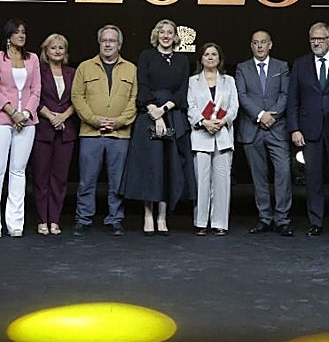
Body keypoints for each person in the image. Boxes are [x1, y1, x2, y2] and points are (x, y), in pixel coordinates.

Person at [121, 19, 195, 235]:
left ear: (175, 36)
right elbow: (142, 84)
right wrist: (155, 112)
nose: (165, 35)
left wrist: (164, 110)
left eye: (169, 32)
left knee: (168, 166)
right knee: (150, 165)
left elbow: (182, 90)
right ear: (156, 35)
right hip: (148, 115)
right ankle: (148, 215)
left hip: (172, 115)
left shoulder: (182, 60)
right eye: (161, 32)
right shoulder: (146, 56)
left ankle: (162, 217)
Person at [286, 21, 329, 237]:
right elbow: (292, 100)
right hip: (309, 131)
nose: (316, 43)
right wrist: (295, 129)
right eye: (312, 39)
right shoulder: (300, 64)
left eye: (320, 39)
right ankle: (315, 222)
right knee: (313, 178)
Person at [70, 24, 138, 236]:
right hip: (91, 133)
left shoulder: (131, 69)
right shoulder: (84, 67)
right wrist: (93, 119)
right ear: (99, 43)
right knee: (86, 180)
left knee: (117, 181)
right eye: (104, 40)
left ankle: (115, 219)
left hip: (120, 134)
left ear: (119, 45)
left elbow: (134, 100)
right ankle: (83, 219)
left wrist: (118, 121)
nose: (108, 44)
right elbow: (77, 97)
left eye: (112, 41)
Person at [0, 18, 41, 238]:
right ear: (8, 36)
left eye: (24, 32)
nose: (22, 36)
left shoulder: (32, 58)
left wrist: (24, 114)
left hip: (26, 121)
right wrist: (11, 112)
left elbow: (36, 90)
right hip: (0, 119)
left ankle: (15, 223)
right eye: (17, 32)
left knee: (18, 171)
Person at [234, 29, 294, 236]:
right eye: (255, 42)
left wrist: (272, 116)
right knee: (259, 177)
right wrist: (260, 115)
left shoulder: (282, 66)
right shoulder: (242, 68)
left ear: (270, 45)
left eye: (263, 42)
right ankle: (265, 218)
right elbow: (241, 95)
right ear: (251, 46)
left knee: (283, 174)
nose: (259, 46)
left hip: (277, 128)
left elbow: (286, 93)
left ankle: (282, 220)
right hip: (253, 128)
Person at [188, 42, 239, 236]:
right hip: (201, 136)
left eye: (214, 54)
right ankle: (201, 222)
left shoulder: (229, 81)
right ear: (201, 58)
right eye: (207, 54)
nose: (210, 57)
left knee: (222, 181)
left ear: (220, 58)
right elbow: (190, 107)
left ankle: (219, 223)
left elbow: (234, 107)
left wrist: (222, 121)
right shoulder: (193, 81)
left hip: (223, 136)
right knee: (201, 181)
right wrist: (203, 122)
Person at [31, 33, 78, 236]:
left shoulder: (73, 73)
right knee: (41, 178)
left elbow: (78, 99)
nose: (57, 51)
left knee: (59, 179)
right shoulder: (38, 72)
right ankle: (42, 220)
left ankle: (55, 220)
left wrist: (63, 117)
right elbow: (34, 97)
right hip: (43, 129)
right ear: (46, 51)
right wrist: (51, 117)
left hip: (66, 131)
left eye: (61, 47)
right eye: (53, 48)